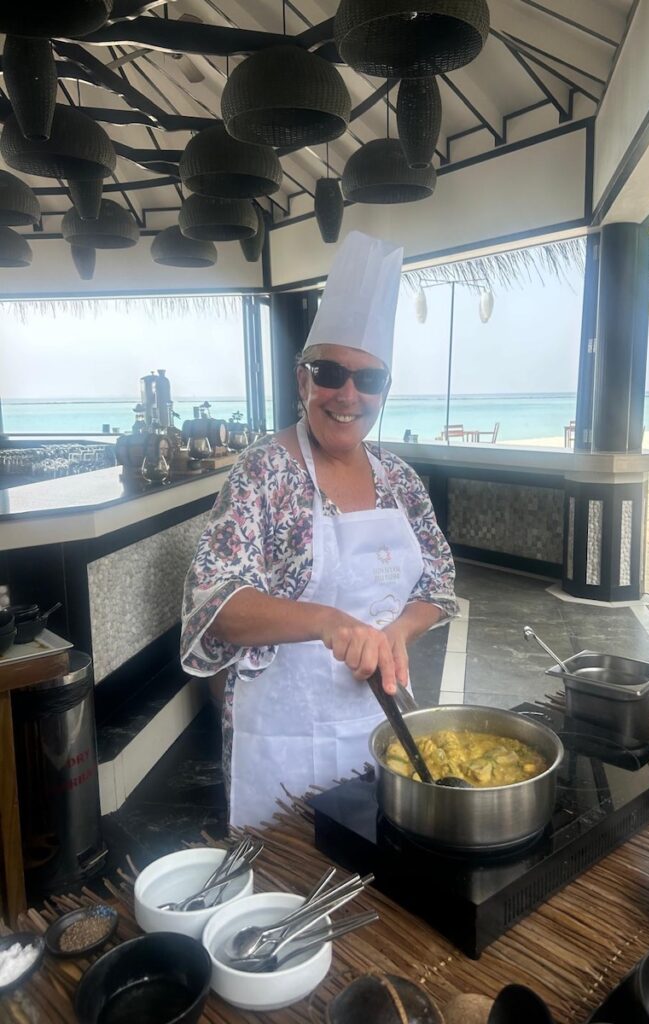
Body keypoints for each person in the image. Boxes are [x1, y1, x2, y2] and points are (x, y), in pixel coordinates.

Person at [181, 231, 458, 826]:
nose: (348, 395)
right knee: (288, 869)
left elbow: (437, 584)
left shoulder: (400, 480)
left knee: (376, 860)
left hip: (380, 721)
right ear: (302, 380)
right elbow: (215, 602)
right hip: (283, 732)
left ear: (385, 390)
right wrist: (330, 622)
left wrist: (397, 633)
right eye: (331, 372)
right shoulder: (263, 471)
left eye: (369, 380)